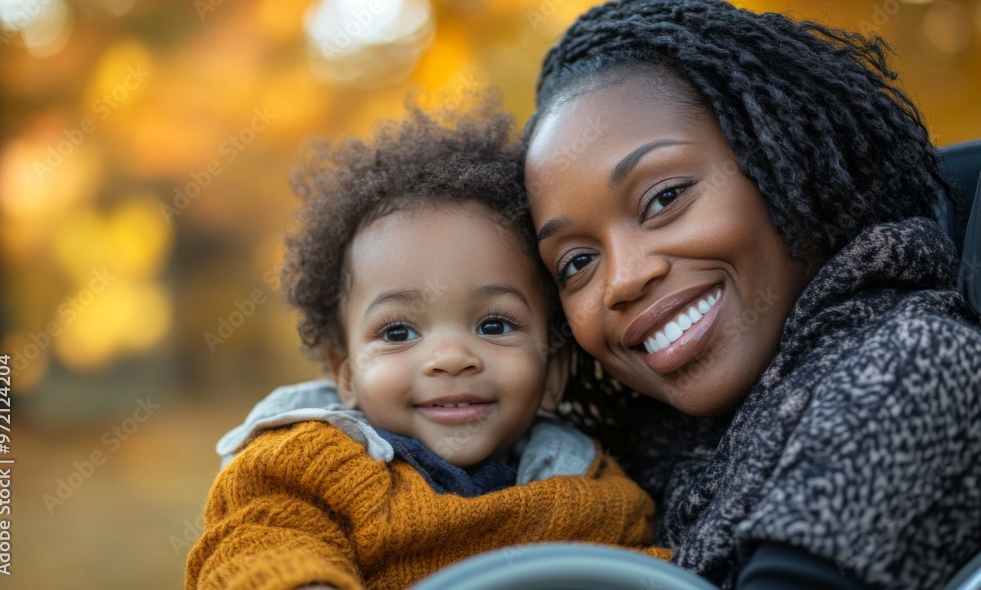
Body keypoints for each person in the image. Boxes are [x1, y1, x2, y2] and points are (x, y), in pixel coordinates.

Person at [521, 0, 981, 589]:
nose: (624, 279)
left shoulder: (912, 367)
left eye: (664, 198)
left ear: (785, 157)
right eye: (578, 262)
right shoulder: (630, 467)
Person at [185, 99, 671, 590]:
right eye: (398, 333)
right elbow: (254, 543)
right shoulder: (305, 465)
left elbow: (645, 571)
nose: (451, 358)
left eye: (495, 325)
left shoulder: (595, 492)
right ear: (345, 374)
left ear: (554, 373)